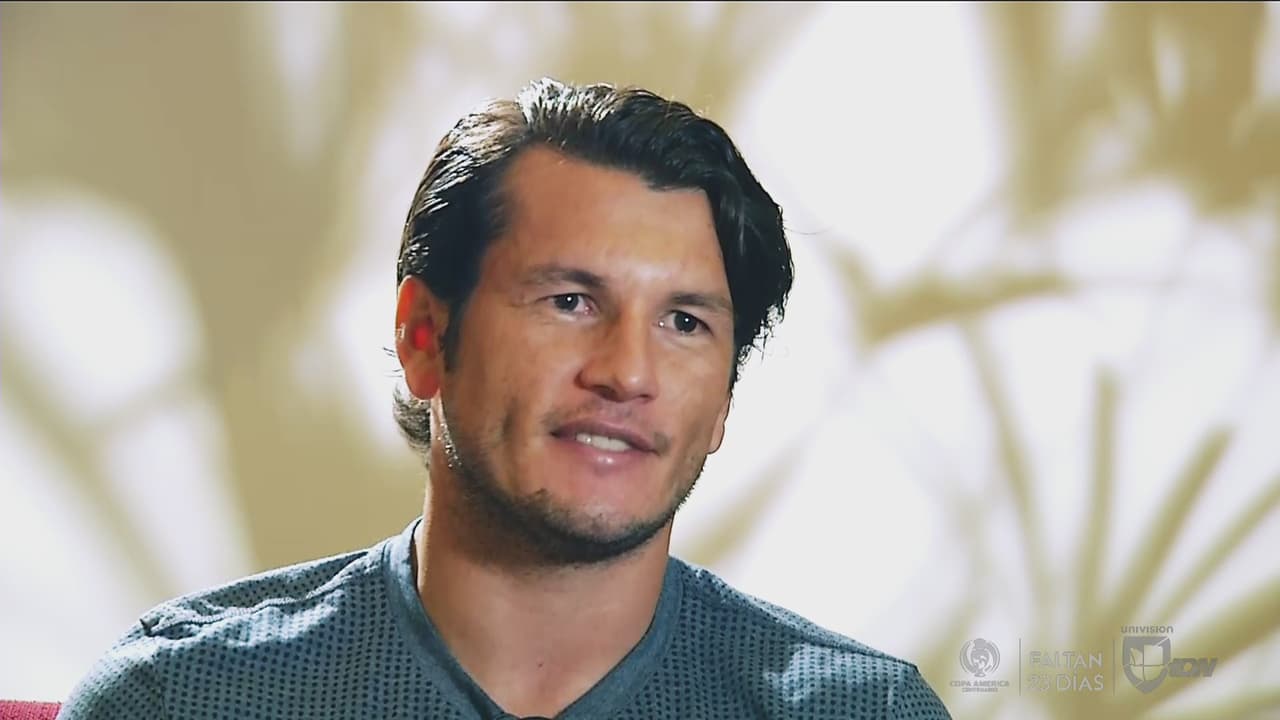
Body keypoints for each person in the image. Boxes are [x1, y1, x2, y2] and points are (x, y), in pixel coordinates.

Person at [60, 78, 951, 719]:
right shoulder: (184, 697)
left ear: (723, 400)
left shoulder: (860, 712)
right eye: (570, 302)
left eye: (684, 322)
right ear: (424, 337)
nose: (627, 372)